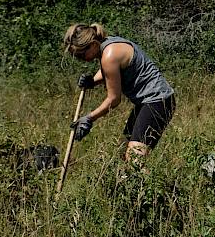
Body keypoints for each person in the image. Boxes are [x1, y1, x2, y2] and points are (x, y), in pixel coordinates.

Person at [63, 23, 176, 162]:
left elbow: (114, 99)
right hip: (147, 102)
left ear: (92, 44)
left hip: (157, 101)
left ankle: (154, 184)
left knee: (135, 159)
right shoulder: (108, 44)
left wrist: (89, 118)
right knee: (122, 152)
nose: (81, 59)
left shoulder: (109, 55)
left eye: (81, 54)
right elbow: (109, 70)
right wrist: (92, 81)